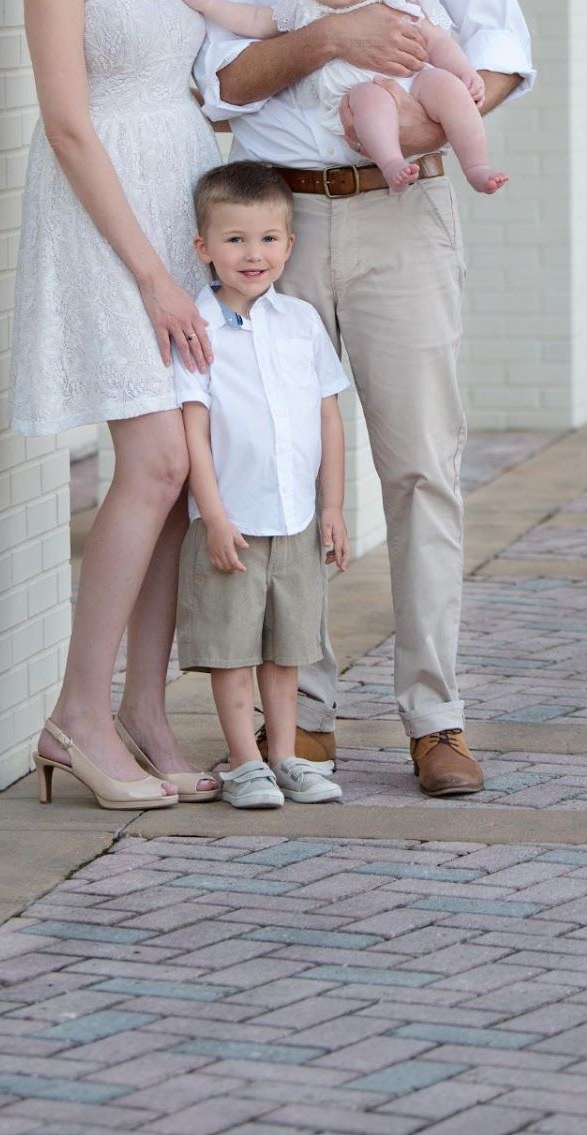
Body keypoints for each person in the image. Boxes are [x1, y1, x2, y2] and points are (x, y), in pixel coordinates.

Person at [181, 0, 534, 798]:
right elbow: (224, 84)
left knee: (419, 462)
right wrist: (330, 34)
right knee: (278, 461)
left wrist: (418, 126)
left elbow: (499, 47)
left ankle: (435, 714)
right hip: (270, 225)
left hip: (400, 210)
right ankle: (306, 714)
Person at [11, 0, 221, 813]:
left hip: (179, 212)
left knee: (178, 476)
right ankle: (75, 714)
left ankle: (145, 708)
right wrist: (150, 273)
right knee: (147, 462)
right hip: (107, 227)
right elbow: (66, 122)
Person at [171, 163, 350, 810]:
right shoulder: (197, 327)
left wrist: (332, 506)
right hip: (234, 523)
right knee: (232, 648)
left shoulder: (301, 322)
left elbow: (328, 416)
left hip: (297, 519)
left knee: (288, 645)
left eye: (269, 239)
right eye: (236, 239)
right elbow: (193, 426)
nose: (254, 254)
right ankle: (244, 762)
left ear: (289, 244)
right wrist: (213, 515)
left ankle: (285, 754)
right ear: (204, 248)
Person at [179, 0, 509, 195]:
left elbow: (436, 40)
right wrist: (208, 4)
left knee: (451, 89)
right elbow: (253, 20)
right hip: (360, 91)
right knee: (370, 100)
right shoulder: (302, 7)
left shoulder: (396, 0)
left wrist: (464, 71)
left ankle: (477, 165)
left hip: (415, 81)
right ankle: (392, 162)